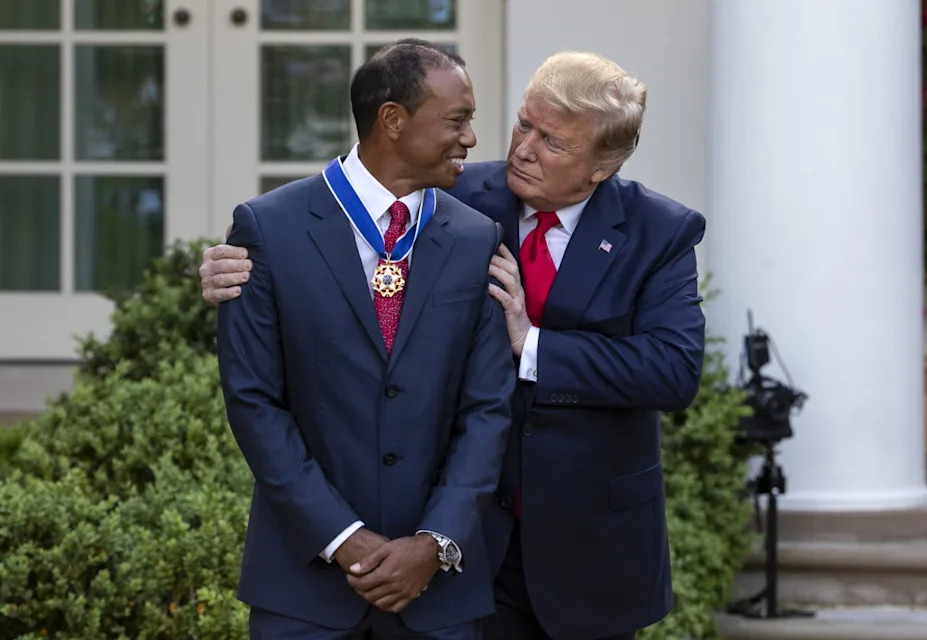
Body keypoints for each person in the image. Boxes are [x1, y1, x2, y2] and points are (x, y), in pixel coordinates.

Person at [204, 51, 706, 640]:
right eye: (525, 124)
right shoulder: (463, 192)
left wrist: (532, 343)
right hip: (465, 543)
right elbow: (338, 214)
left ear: (604, 165)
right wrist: (233, 266)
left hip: (583, 542)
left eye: (553, 142)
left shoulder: (661, 231)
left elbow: (673, 370)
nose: (522, 148)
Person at [216, 39, 515, 640]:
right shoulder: (267, 229)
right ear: (393, 120)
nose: (472, 139)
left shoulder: (477, 237)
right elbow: (253, 401)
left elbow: (487, 411)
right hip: (304, 591)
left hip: (440, 593)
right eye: (457, 120)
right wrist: (341, 537)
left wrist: (435, 543)